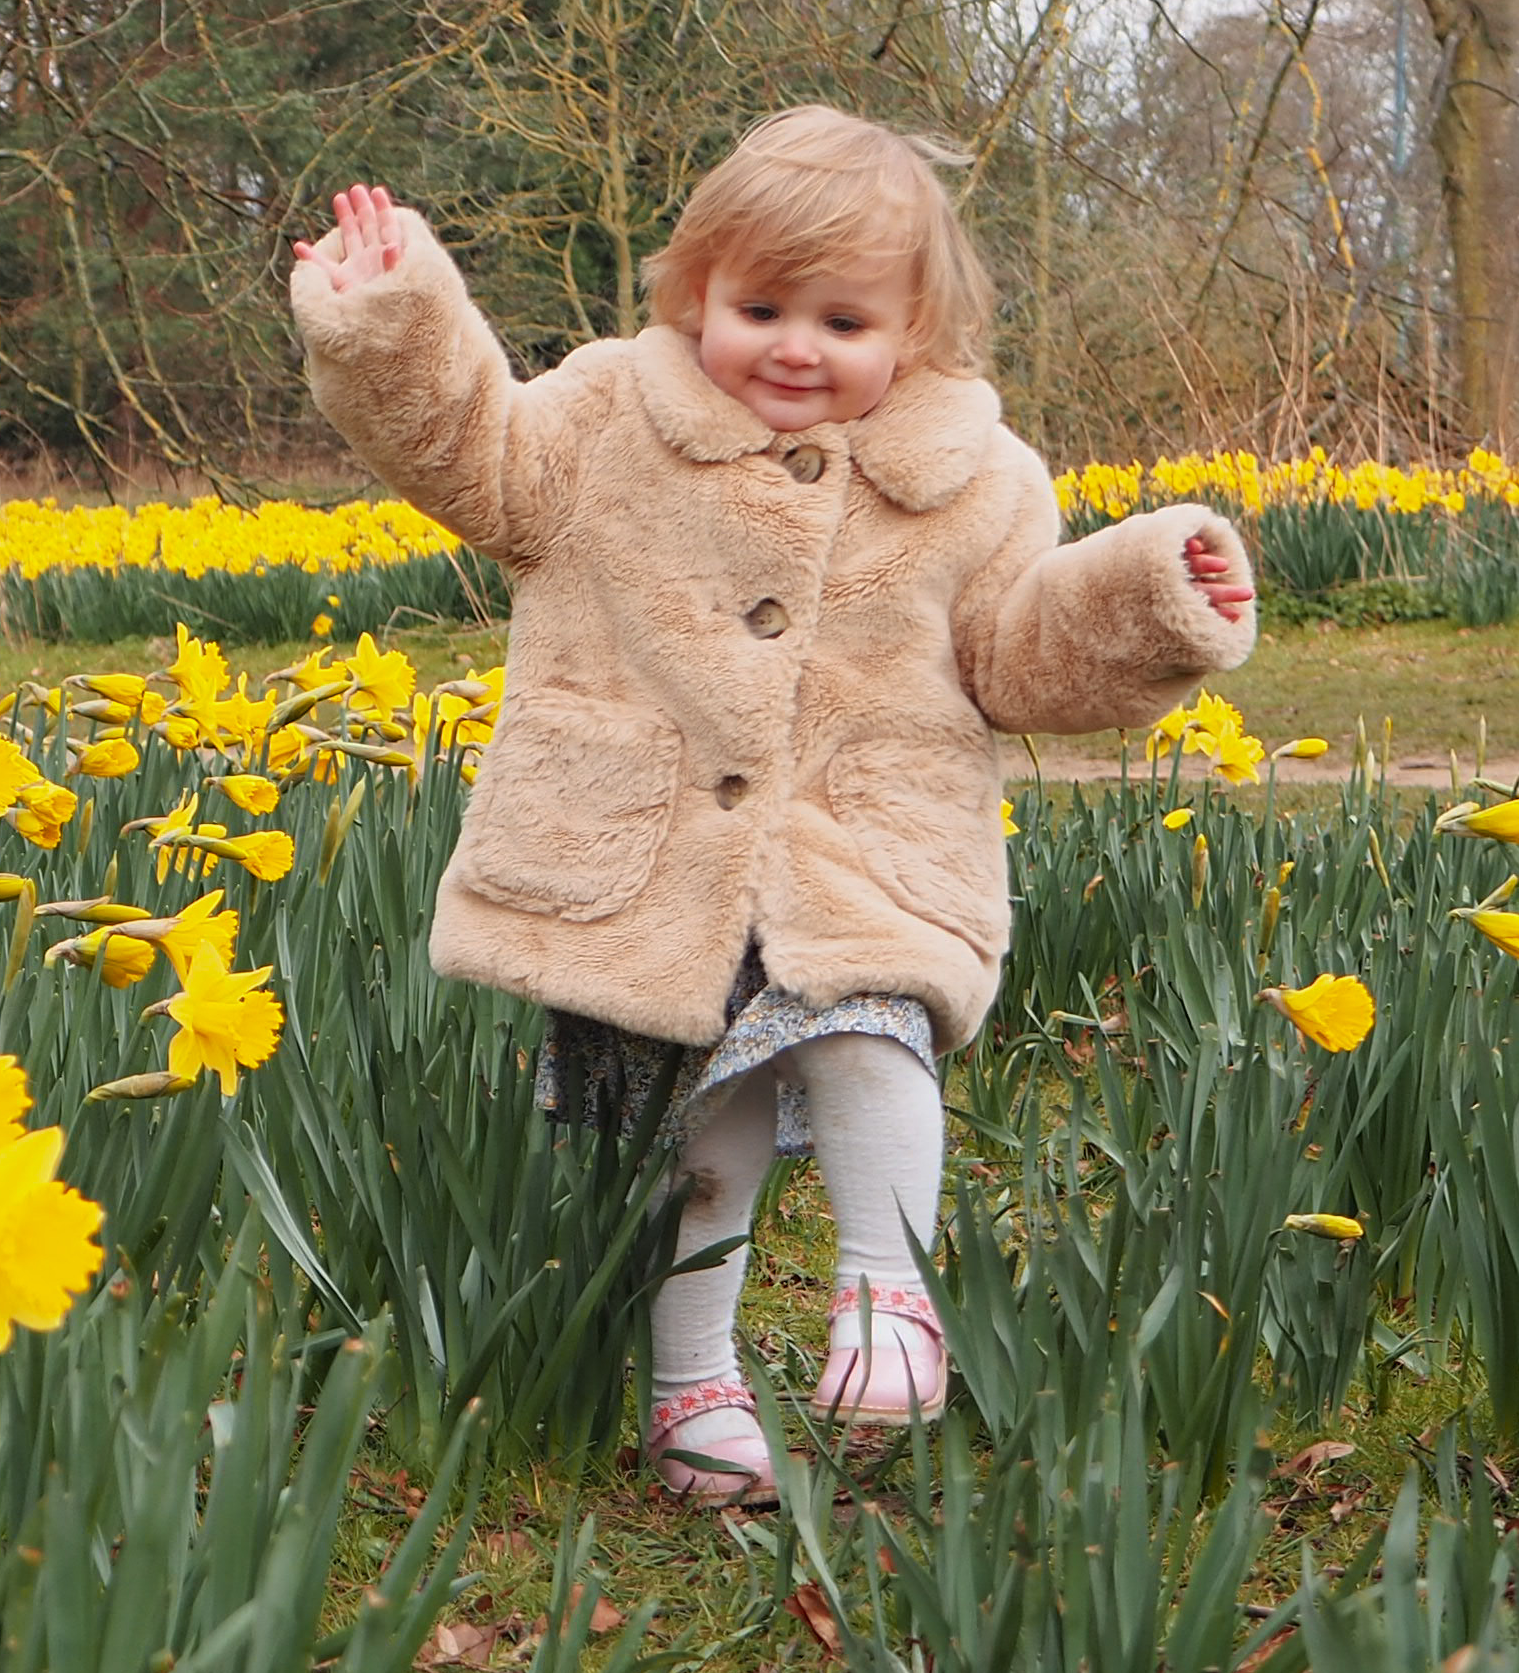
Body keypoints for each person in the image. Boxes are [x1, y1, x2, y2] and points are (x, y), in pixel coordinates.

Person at [288, 108, 1253, 1506]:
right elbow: (466, 447)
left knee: (873, 1032)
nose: (797, 347)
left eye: (843, 321)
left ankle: (887, 1293)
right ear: (696, 294)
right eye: (760, 310)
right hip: (647, 858)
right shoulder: (607, 422)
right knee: (702, 1147)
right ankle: (692, 1390)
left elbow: (1019, 652)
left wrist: (1153, 598)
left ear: (917, 329)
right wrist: (391, 320)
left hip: (861, 849)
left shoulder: (977, 481)